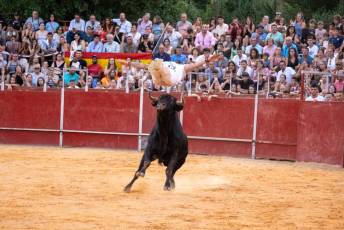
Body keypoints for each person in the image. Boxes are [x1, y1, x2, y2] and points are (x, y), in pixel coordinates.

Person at [124, 54, 220, 87]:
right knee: (152, 67)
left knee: (153, 67)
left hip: (168, 78)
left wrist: (207, 60)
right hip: (164, 77)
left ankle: (156, 70)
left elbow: (197, 64)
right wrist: (130, 63)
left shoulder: (183, 67)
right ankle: (156, 71)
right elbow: (196, 64)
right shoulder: (183, 67)